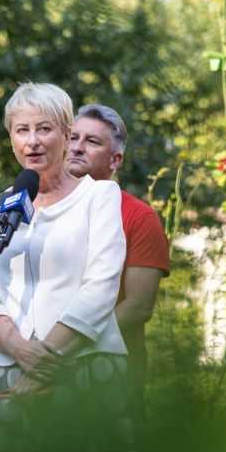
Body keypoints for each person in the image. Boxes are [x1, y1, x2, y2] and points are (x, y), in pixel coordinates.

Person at [0, 83, 137, 452]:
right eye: (21, 130)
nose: (32, 141)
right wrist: (18, 349)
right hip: (6, 367)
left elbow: (101, 286)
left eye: (44, 129)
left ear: (66, 134)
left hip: (83, 366)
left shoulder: (99, 197)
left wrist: (44, 358)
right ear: (10, 137)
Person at [66, 103, 170, 398]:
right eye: (73, 138)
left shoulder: (139, 217)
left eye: (92, 141)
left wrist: (63, 349)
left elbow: (138, 308)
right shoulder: (38, 209)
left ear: (115, 160)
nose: (77, 148)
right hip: (41, 371)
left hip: (109, 372)